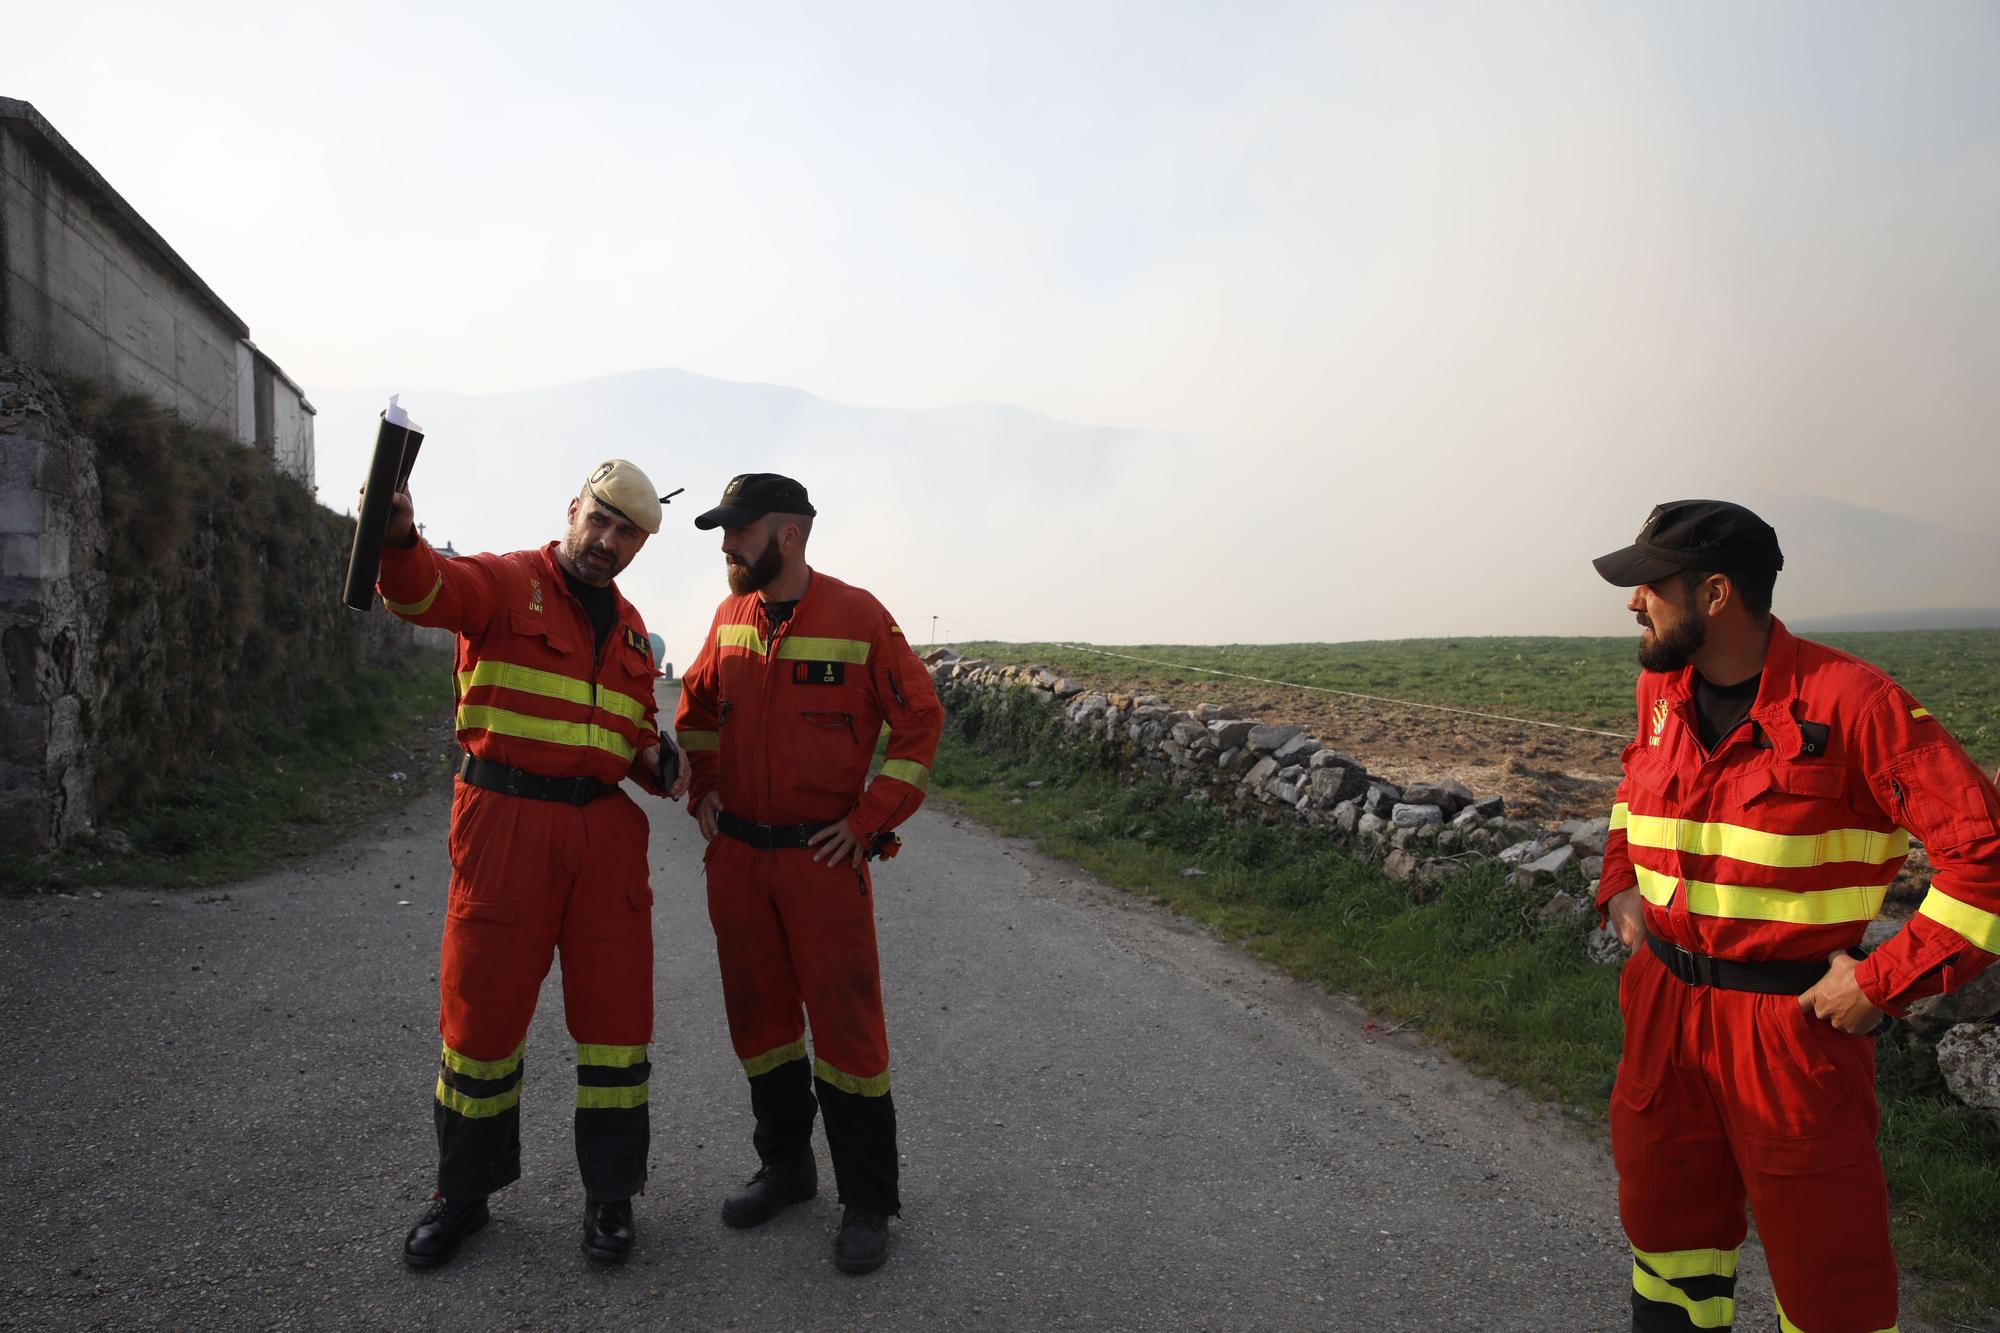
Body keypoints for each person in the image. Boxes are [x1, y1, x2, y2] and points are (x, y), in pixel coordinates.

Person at [1593, 499, 2000, 1332]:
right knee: (1668, 1246)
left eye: (1650, 586)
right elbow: (1635, 793)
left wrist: (1884, 981)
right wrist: (1619, 882)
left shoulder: (1855, 705)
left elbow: (1987, 859)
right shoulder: (1659, 691)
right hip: (1665, 1010)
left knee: (1829, 1281)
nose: (1634, 602)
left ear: (1715, 595)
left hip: (1791, 1032)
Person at [374, 459, 691, 1269]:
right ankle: (463, 1196)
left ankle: (611, 1200)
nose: (607, 540)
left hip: (602, 840)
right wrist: (401, 535)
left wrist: (661, 762)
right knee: (479, 1025)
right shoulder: (507, 582)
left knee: (619, 1028)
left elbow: (628, 742)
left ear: (638, 547)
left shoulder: (630, 633)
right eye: (600, 519)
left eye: (627, 532)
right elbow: (421, 592)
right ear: (573, 509)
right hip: (506, 826)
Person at [671, 472, 942, 1275]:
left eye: (739, 531)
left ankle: (868, 1201)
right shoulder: (729, 618)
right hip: (741, 863)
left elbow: (920, 721)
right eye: (724, 531)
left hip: (822, 866)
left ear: (786, 535)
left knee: (848, 1033)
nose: (726, 545)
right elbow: (694, 709)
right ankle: (787, 1168)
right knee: (760, 1024)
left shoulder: (858, 618)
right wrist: (705, 794)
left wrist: (867, 823)